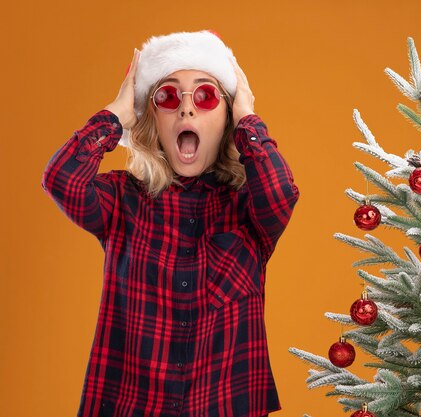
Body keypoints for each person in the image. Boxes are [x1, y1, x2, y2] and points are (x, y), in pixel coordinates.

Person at [41, 30, 299, 417]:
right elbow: (61, 178)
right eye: (167, 96)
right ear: (153, 120)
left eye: (206, 96)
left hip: (226, 406)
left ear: (226, 118)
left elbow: (280, 194)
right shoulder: (121, 201)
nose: (186, 110)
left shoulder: (248, 208)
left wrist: (247, 117)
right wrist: (116, 114)